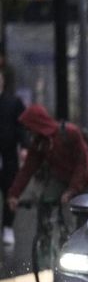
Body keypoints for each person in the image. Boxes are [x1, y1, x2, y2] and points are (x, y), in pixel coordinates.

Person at [7, 104, 88, 214]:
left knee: (84, 215)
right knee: (45, 203)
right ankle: (49, 229)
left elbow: (82, 164)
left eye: (30, 128)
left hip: (87, 179)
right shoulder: (40, 143)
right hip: (63, 178)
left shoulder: (70, 133)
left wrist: (72, 190)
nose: (29, 132)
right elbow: (27, 169)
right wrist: (14, 194)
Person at [0, 70, 26, 245]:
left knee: (10, 192)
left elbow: (21, 126)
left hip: (8, 156)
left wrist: (24, 146)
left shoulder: (13, 103)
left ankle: (8, 227)